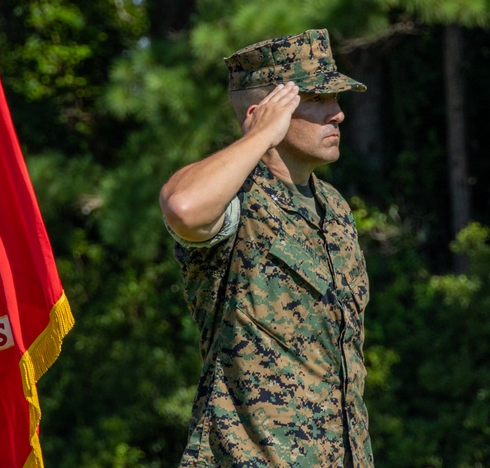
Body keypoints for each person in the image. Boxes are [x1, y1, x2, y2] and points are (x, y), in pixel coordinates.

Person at [159, 29, 374, 468]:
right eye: (316, 100)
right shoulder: (237, 198)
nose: (338, 116)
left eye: (337, 100)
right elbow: (183, 208)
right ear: (265, 113)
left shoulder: (334, 209)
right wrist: (259, 138)